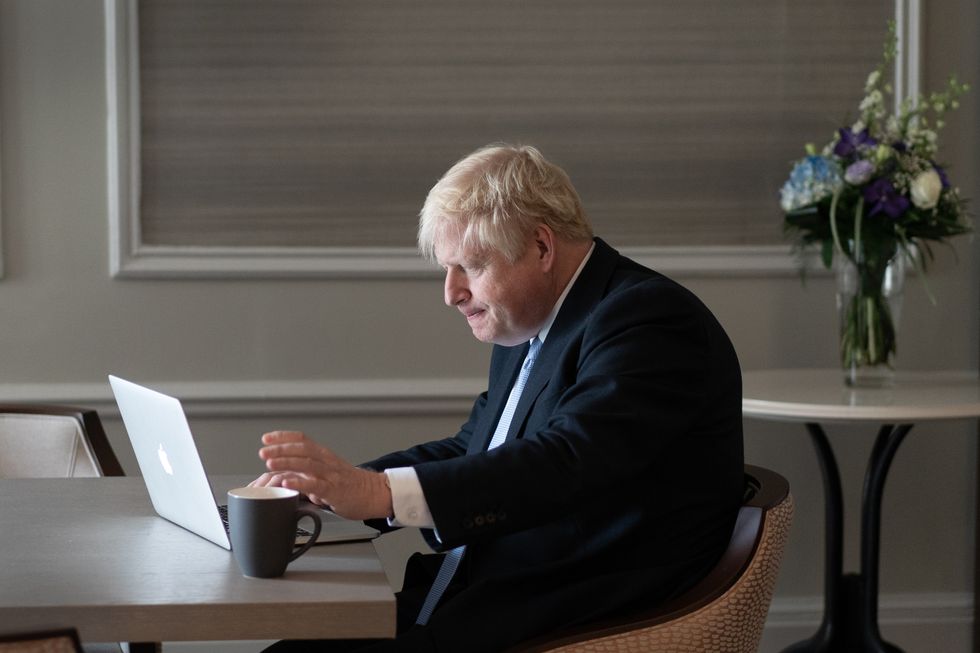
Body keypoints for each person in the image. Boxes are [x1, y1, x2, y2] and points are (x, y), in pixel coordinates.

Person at [252, 144, 744, 652]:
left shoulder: (647, 319)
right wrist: (338, 490)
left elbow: (566, 461)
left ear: (540, 247)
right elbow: (475, 448)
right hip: (488, 598)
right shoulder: (534, 323)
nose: (451, 292)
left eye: (471, 265)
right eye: (448, 269)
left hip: (568, 618)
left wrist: (378, 494)